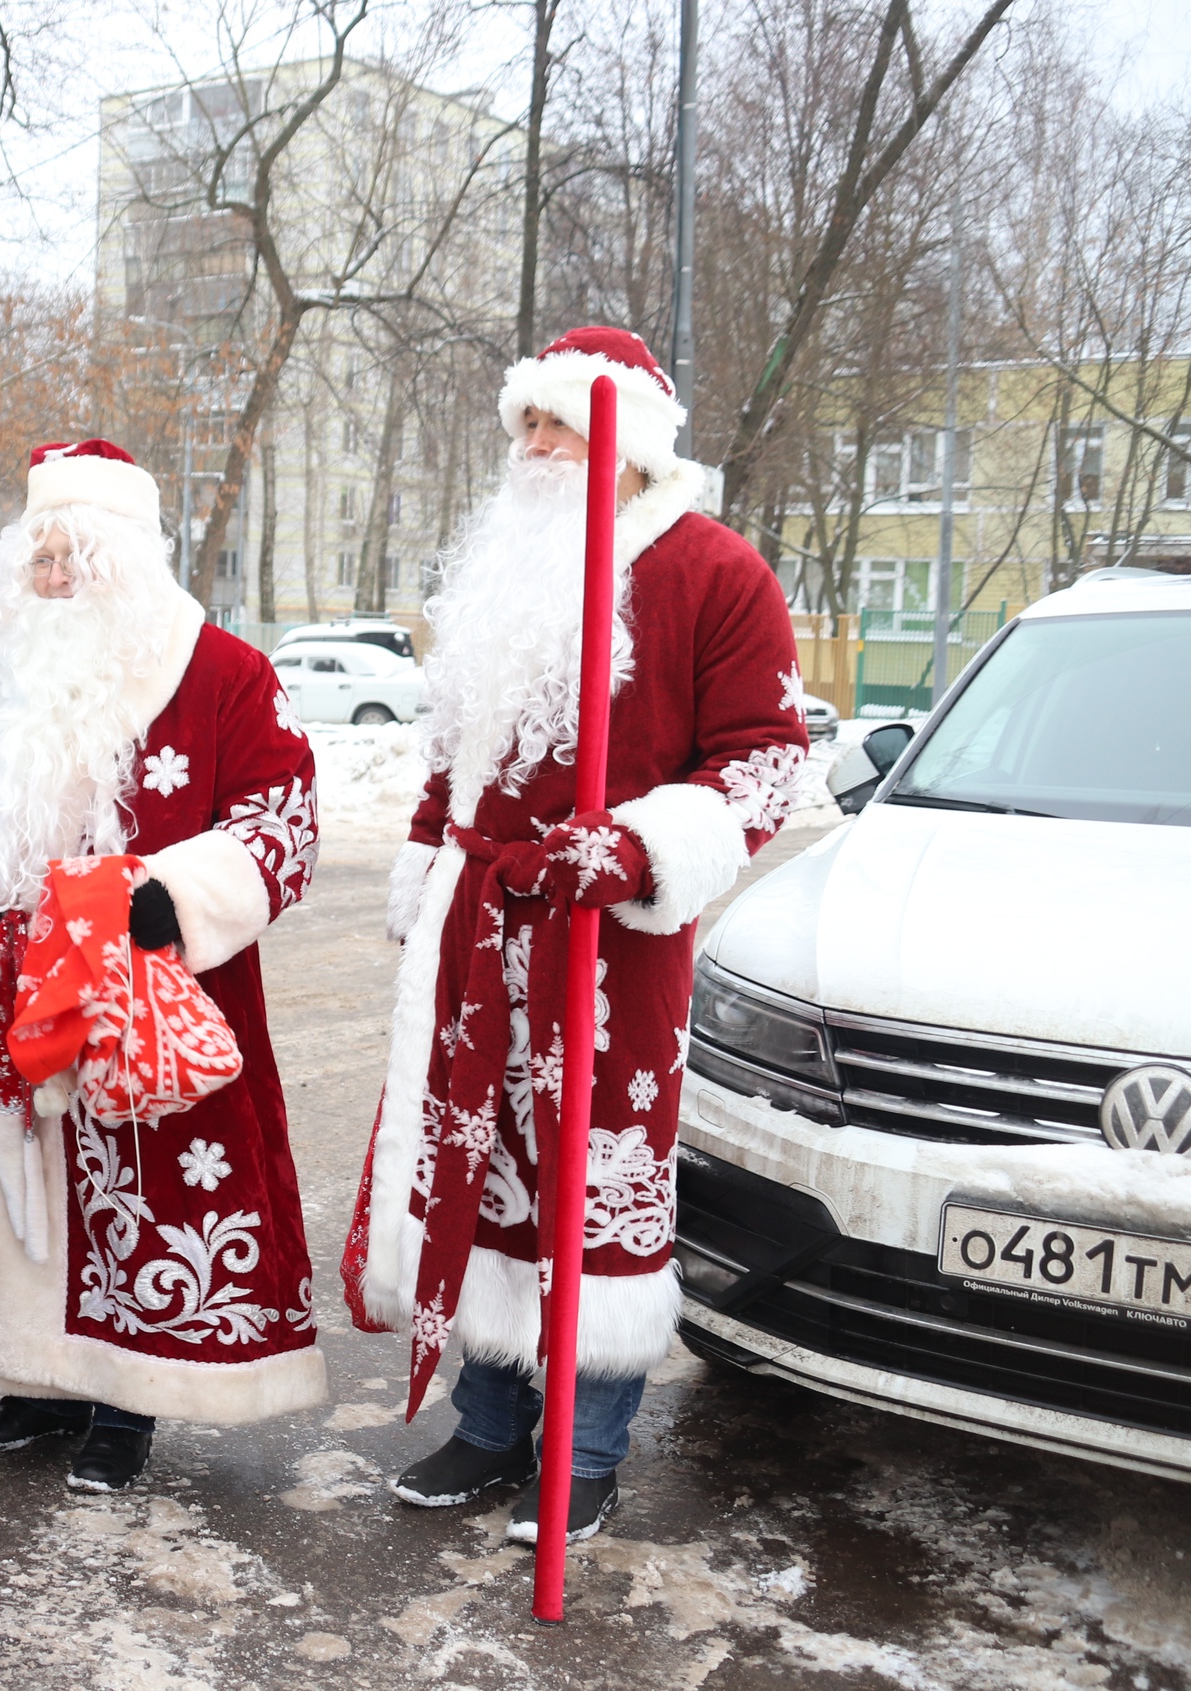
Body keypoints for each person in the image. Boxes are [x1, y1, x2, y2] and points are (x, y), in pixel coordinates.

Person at [338, 327, 808, 1544]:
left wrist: (638, 848)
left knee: (591, 1176)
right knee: (479, 1159)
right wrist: (426, 860)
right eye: (526, 427)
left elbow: (764, 763)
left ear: (629, 446)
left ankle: (585, 1449)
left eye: (562, 427)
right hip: (477, 924)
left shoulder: (714, 572)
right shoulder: (506, 573)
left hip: (608, 940)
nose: (536, 449)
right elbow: (454, 755)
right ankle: (491, 1428)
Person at [0, 438, 327, 1495]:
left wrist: (166, 898)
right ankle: (35, 1379)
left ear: (126, 559)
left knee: (151, 1185)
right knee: (27, 1185)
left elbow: (281, 822)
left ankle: (128, 1398)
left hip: (154, 986)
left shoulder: (223, 672)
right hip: (23, 986)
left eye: (75, 559)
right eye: (41, 561)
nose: (55, 582)